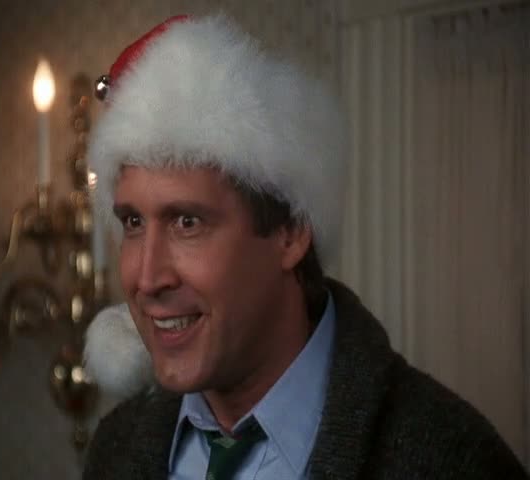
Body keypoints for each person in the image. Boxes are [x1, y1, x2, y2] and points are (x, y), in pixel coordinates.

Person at [81, 14, 528, 480]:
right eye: (133, 222)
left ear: (291, 230)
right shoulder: (115, 447)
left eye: (187, 222)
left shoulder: (453, 461)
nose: (148, 278)